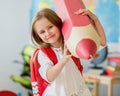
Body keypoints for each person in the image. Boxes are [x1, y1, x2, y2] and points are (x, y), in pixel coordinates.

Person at [31, 8, 106, 96]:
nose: (47, 33)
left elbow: (101, 42)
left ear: (58, 24)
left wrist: (95, 20)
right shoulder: (42, 53)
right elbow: (49, 77)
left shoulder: (71, 42)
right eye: (42, 32)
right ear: (38, 36)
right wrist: (63, 60)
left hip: (79, 92)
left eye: (50, 27)